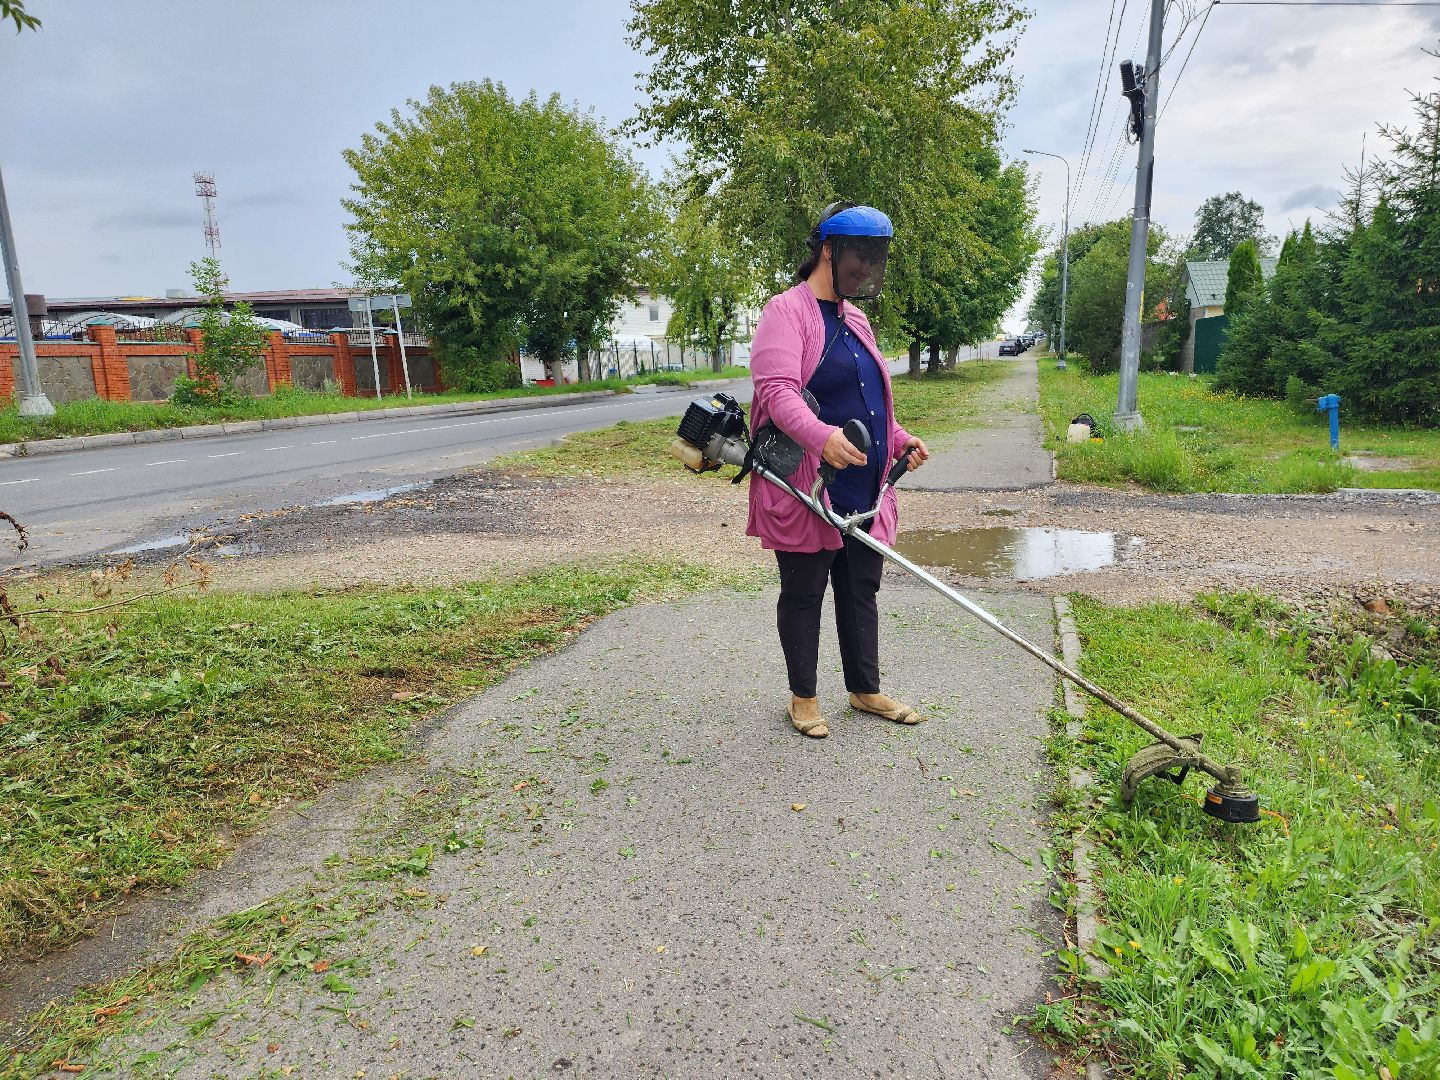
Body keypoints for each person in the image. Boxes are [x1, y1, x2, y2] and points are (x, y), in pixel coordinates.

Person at [745, 202, 930, 739]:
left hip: (862, 482)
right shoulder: (786, 311)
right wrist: (821, 438)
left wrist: (898, 440)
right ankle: (803, 697)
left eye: (876, 258)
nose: (868, 269)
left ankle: (864, 688)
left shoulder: (857, 317)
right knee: (804, 591)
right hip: (808, 482)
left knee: (859, 587)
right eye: (860, 256)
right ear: (828, 250)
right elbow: (777, 392)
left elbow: (870, 400)